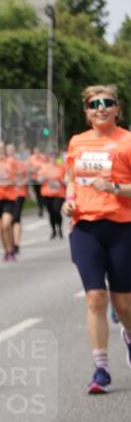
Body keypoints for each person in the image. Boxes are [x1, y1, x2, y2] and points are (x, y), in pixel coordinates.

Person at [63, 85, 131, 393]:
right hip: (85, 228)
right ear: (87, 113)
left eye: (107, 103)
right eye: (94, 104)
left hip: (122, 227)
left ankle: (128, 337)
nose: (100, 108)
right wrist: (68, 199)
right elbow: (71, 178)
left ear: (117, 109)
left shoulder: (127, 141)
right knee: (95, 298)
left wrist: (114, 188)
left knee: (125, 304)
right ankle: (101, 369)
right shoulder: (77, 142)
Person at [38, 151, 66, 239]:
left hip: (59, 194)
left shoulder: (62, 167)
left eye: (55, 156)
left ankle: (60, 229)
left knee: (57, 211)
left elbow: (66, 180)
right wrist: (45, 178)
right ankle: (53, 230)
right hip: (47, 194)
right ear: (48, 158)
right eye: (51, 156)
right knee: (51, 213)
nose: (53, 158)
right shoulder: (44, 167)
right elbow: (39, 179)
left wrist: (61, 180)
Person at [6, 142, 27, 255]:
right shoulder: (2, 164)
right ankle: (11, 241)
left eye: (12, 151)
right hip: (7, 195)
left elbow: (25, 178)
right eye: (8, 151)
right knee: (8, 221)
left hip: (19, 193)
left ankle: (16, 244)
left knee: (16, 218)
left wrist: (19, 182)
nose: (10, 153)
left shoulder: (20, 163)